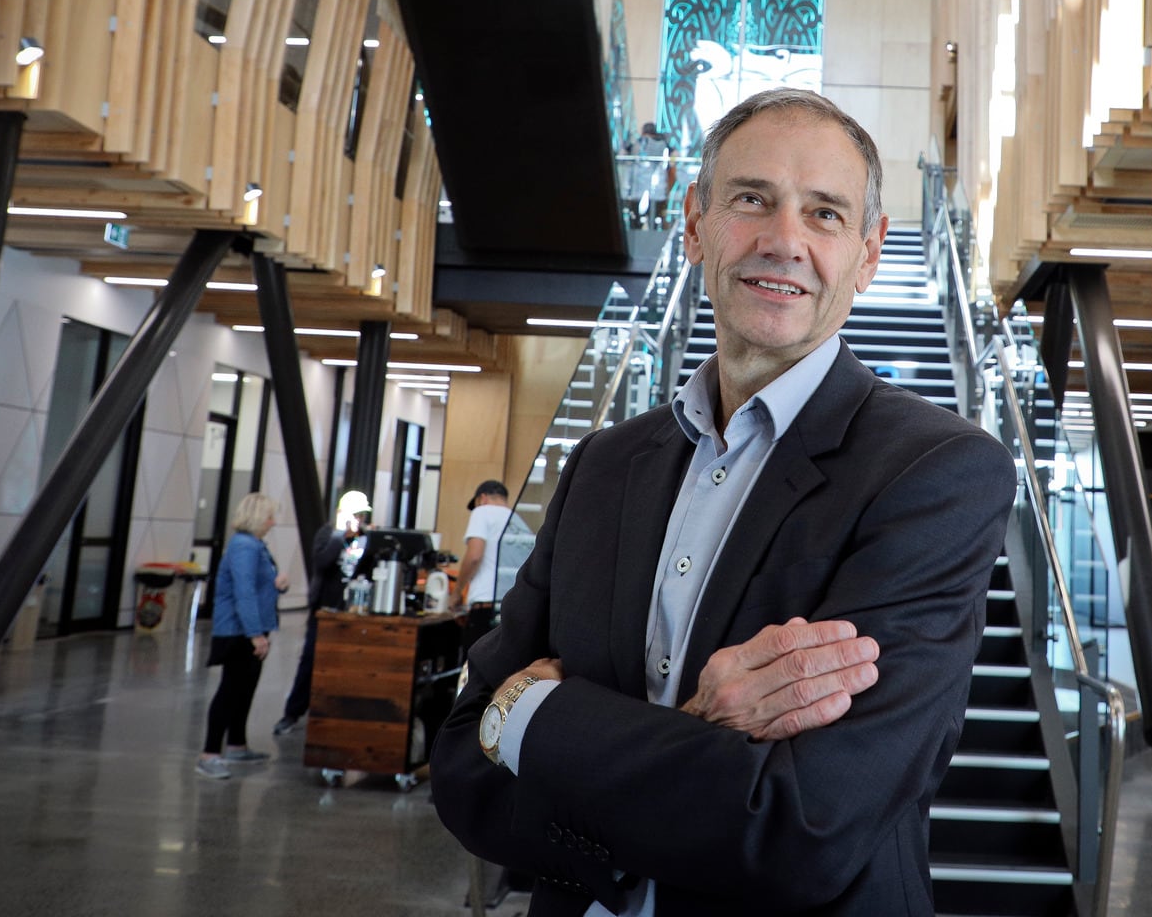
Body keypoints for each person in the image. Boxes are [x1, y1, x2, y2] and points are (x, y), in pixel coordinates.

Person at [432, 89, 1016, 913]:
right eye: (752, 200)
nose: (784, 241)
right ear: (696, 225)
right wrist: (693, 746)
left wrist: (534, 713)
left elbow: (801, 827)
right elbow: (461, 767)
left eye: (824, 214)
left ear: (870, 252)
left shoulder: (937, 472)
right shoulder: (603, 464)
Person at [196, 492, 288, 779]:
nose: (273, 523)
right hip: (238, 631)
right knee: (230, 690)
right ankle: (210, 753)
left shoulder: (256, 545)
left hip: (251, 628)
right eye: (270, 517)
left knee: (245, 689)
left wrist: (278, 586)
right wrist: (255, 635)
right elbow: (243, 592)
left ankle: (236, 744)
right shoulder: (244, 547)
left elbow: (258, 587)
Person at [274, 490, 370, 735]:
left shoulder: (366, 539)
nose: (358, 520)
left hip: (353, 611)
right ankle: (292, 712)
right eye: (354, 515)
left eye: (361, 515)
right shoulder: (328, 534)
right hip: (324, 609)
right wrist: (341, 535)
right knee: (310, 660)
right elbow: (322, 561)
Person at [454, 480, 515, 655]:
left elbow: (474, 556)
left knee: (473, 672)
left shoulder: (482, 512)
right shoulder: (517, 521)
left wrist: (457, 593)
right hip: (510, 608)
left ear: (482, 498)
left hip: (484, 607)